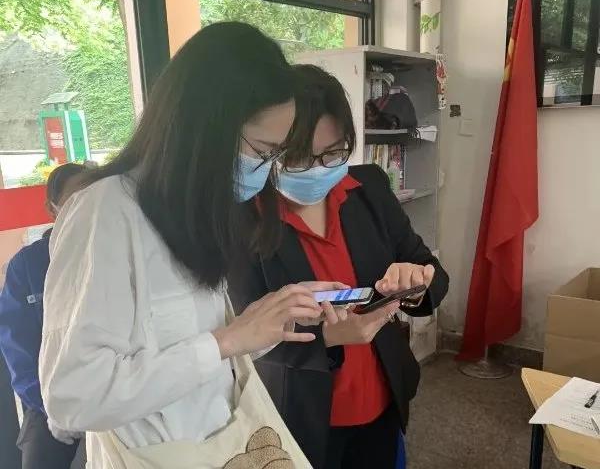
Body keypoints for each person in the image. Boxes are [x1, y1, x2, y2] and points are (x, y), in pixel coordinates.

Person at [38, 23, 343, 468]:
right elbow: (73, 398)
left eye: (275, 156)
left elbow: (199, 347)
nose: (266, 169)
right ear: (204, 128)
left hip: (220, 447)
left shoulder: (193, 209)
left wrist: (269, 318)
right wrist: (226, 340)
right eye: (263, 150)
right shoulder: (104, 212)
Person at [229, 65, 450, 469]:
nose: (318, 168)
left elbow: (430, 269)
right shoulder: (243, 217)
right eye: (298, 157)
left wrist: (415, 284)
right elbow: (243, 331)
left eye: (332, 153)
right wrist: (328, 337)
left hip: (382, 398)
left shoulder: (368, 187)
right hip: (300, 413)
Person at [0, 163, 87, 469]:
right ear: (53, 208)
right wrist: (50, 406)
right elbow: (18, 350)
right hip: (48, 401)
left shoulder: (113, 254)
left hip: (110, 389)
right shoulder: (27, 266)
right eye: (75, 199)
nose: (86, 207)